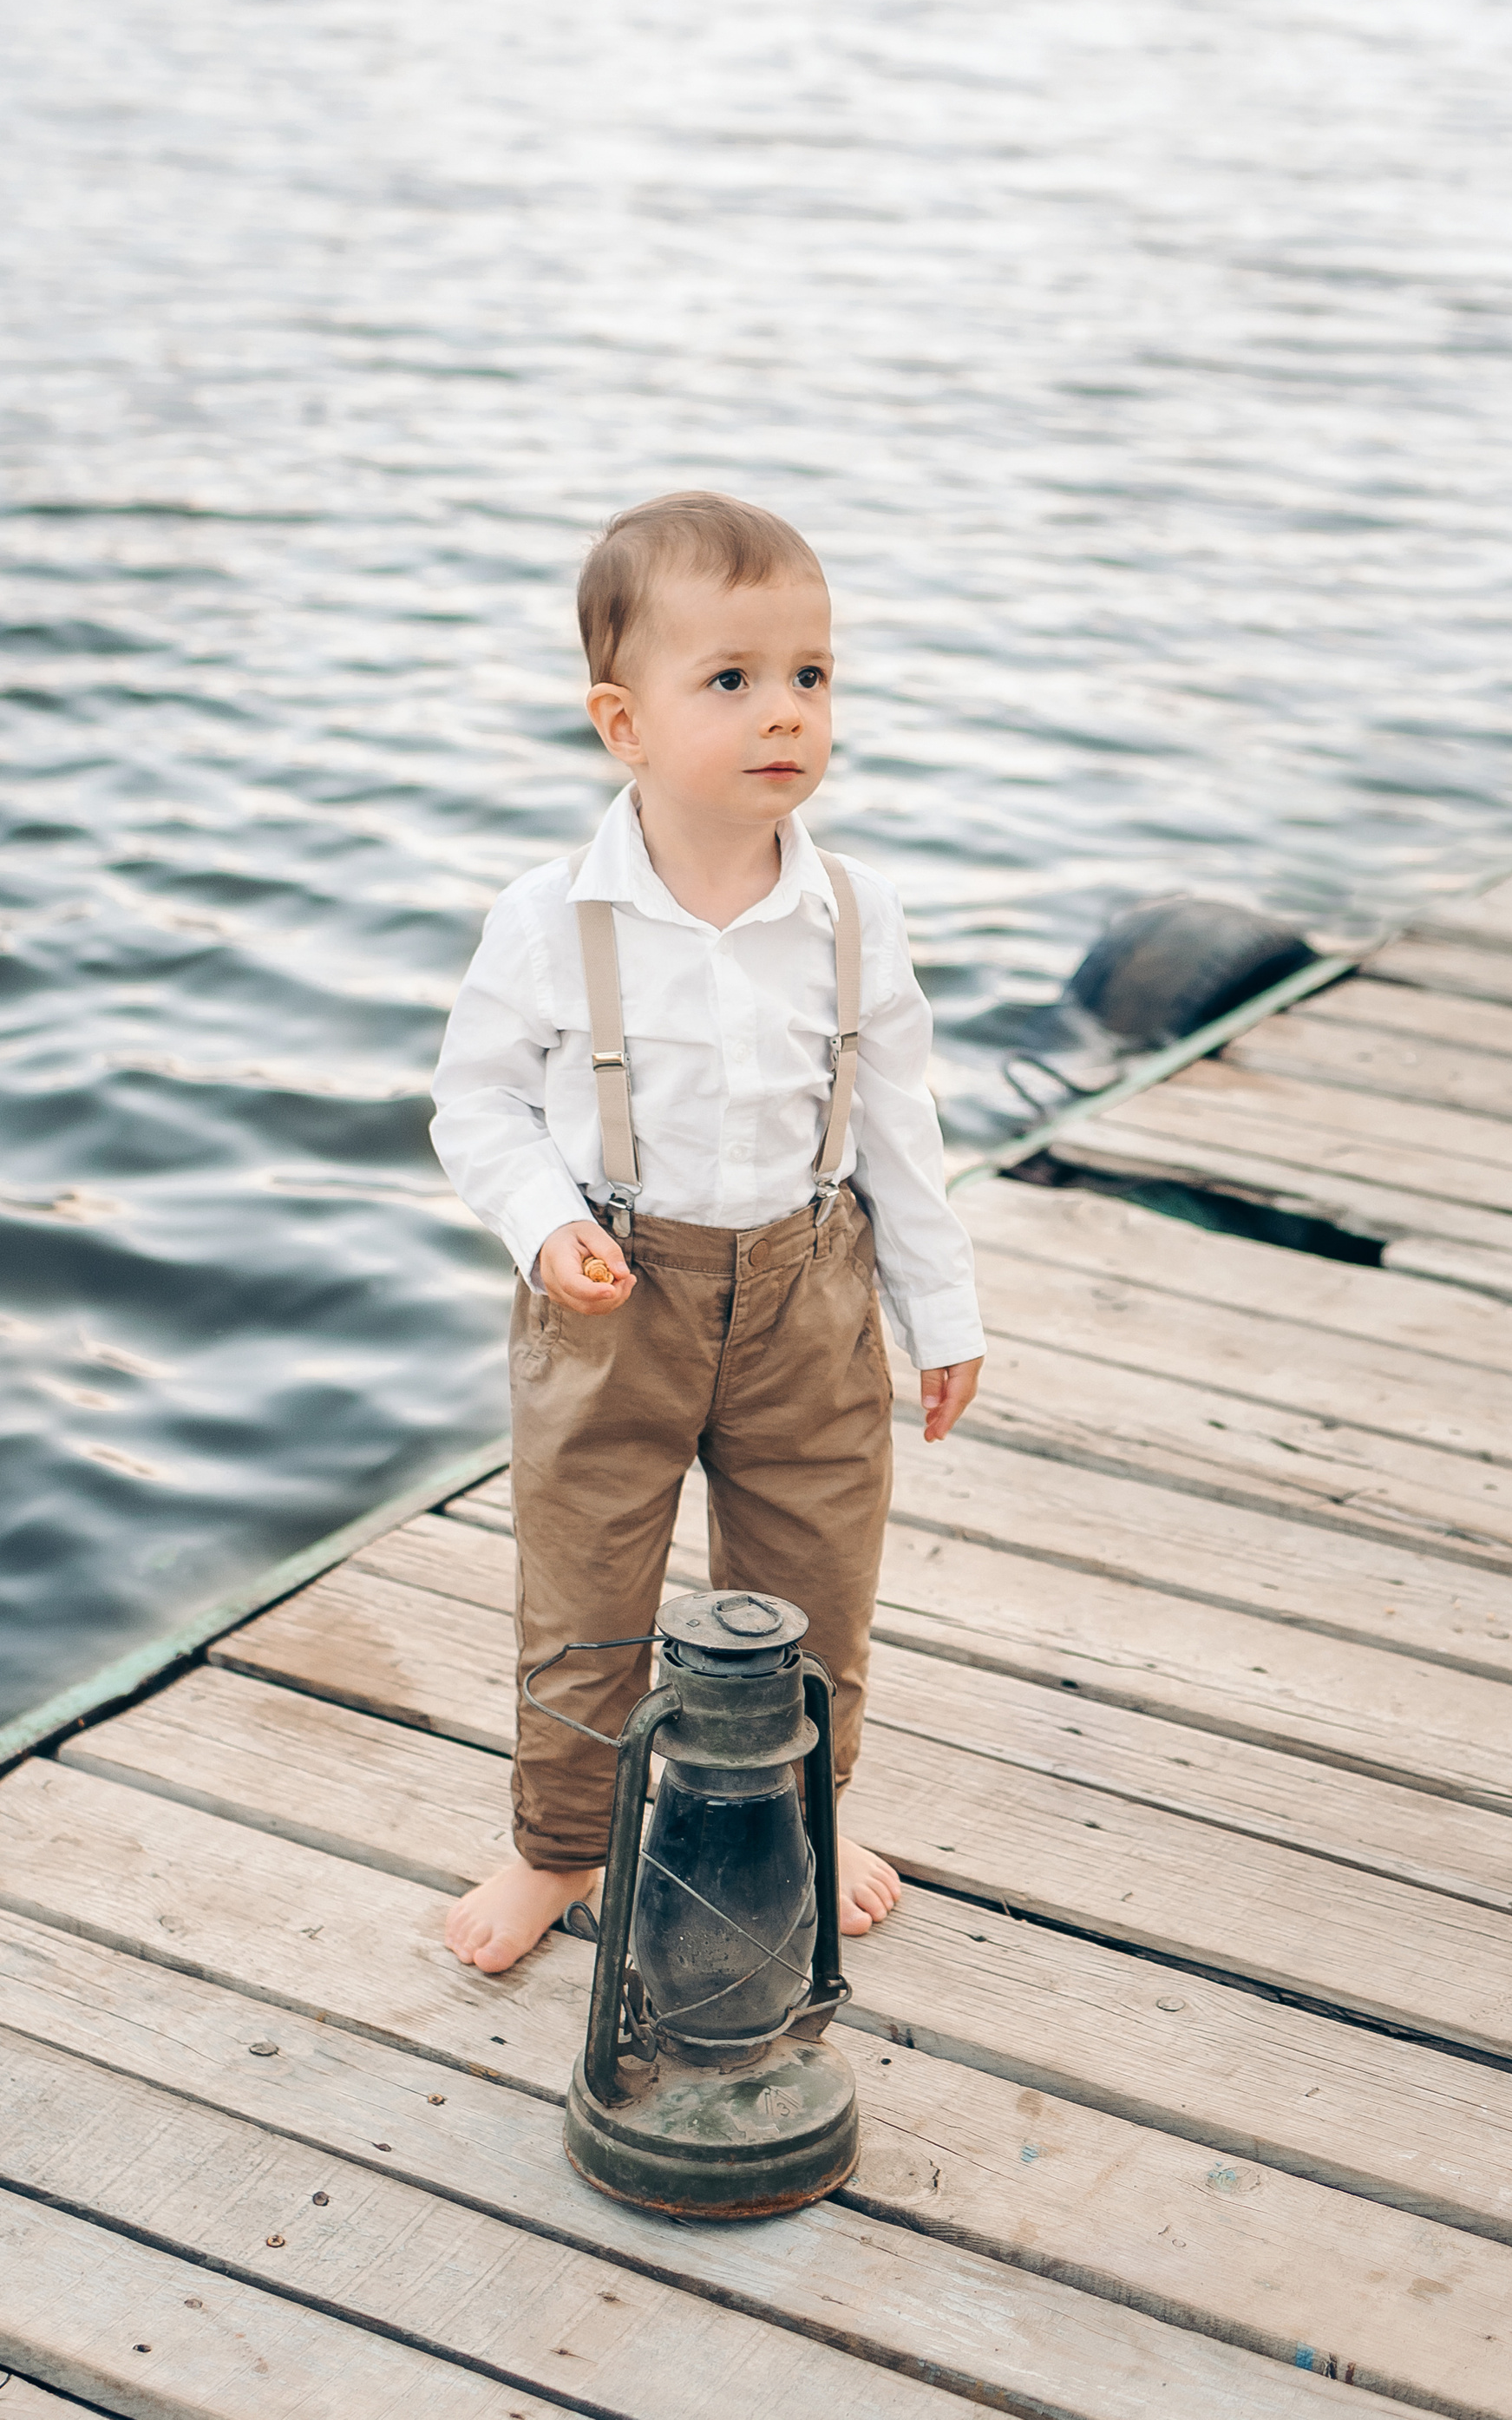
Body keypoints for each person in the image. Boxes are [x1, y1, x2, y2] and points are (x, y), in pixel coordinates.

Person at [429, 489, 985, 1974]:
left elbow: (898, 1131)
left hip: (809, 1296)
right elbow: (475, 1107)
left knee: (816, 1587)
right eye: (730, 680)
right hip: (618, 1302)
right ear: (622, 723)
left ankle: (802, 1810)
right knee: (588, 1600)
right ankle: (559, 1844)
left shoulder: (856, 915)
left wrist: (947, 1315)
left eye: (810, 675)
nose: (783, 711)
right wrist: (547, 1227)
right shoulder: (554, 918)